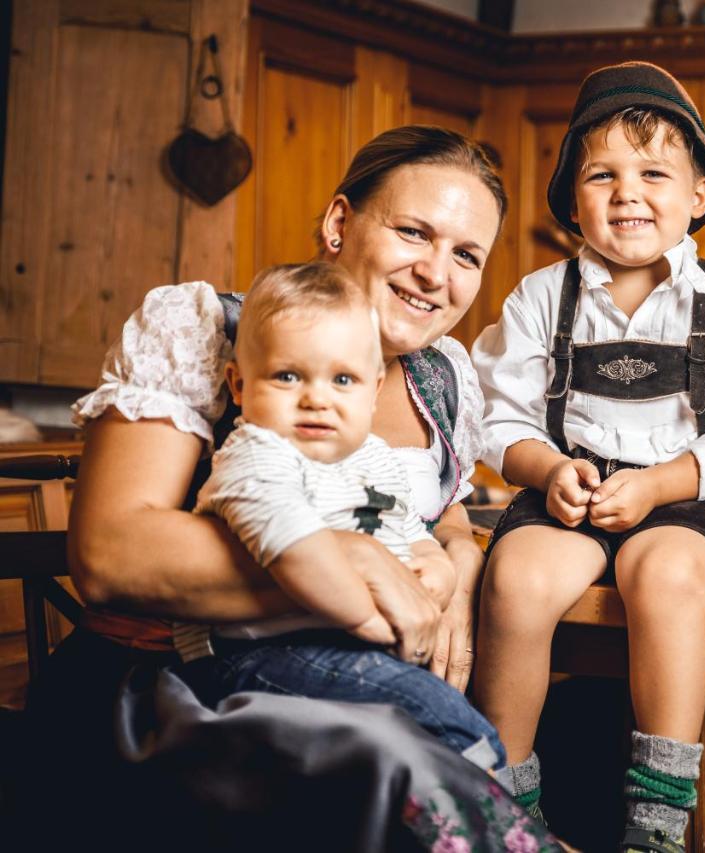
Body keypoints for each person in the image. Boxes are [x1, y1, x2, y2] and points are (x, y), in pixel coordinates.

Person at [21, 126, 545, 850]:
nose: (435, 272)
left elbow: (430, 499)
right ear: (339, 223)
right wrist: (355, 563)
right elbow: (111, 552)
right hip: (177, 694)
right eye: (413, 232)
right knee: (405, 766)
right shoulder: (214, 330)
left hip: (356, 682)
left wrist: (458, 553)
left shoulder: (441, 375)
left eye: (465, 255)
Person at [470, 61, 705, 852]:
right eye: (601, 175)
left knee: (665, 576)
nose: (627, 193)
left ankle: (658, 817)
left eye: (654, 173)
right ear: (573, 199)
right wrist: (547, 470)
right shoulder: (542, 299)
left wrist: (655, 486)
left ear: (698, 195)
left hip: (683, 494)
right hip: (567, 490)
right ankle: (507, 809)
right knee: (513, 578)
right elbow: (497, 420)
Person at [176, 261, 502, 769]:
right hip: (255, 650)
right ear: (238, 386)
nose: (317, 399)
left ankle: (464, 820)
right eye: (287, 376)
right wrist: (377, 622)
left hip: (338, 646)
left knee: (439, 722)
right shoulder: (256, 455)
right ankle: (497, 827)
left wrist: (431, 563)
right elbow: (298, 550)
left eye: (343, 379)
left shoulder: (371, 457)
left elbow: (405, 525)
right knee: (445, 723)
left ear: (373, 391)